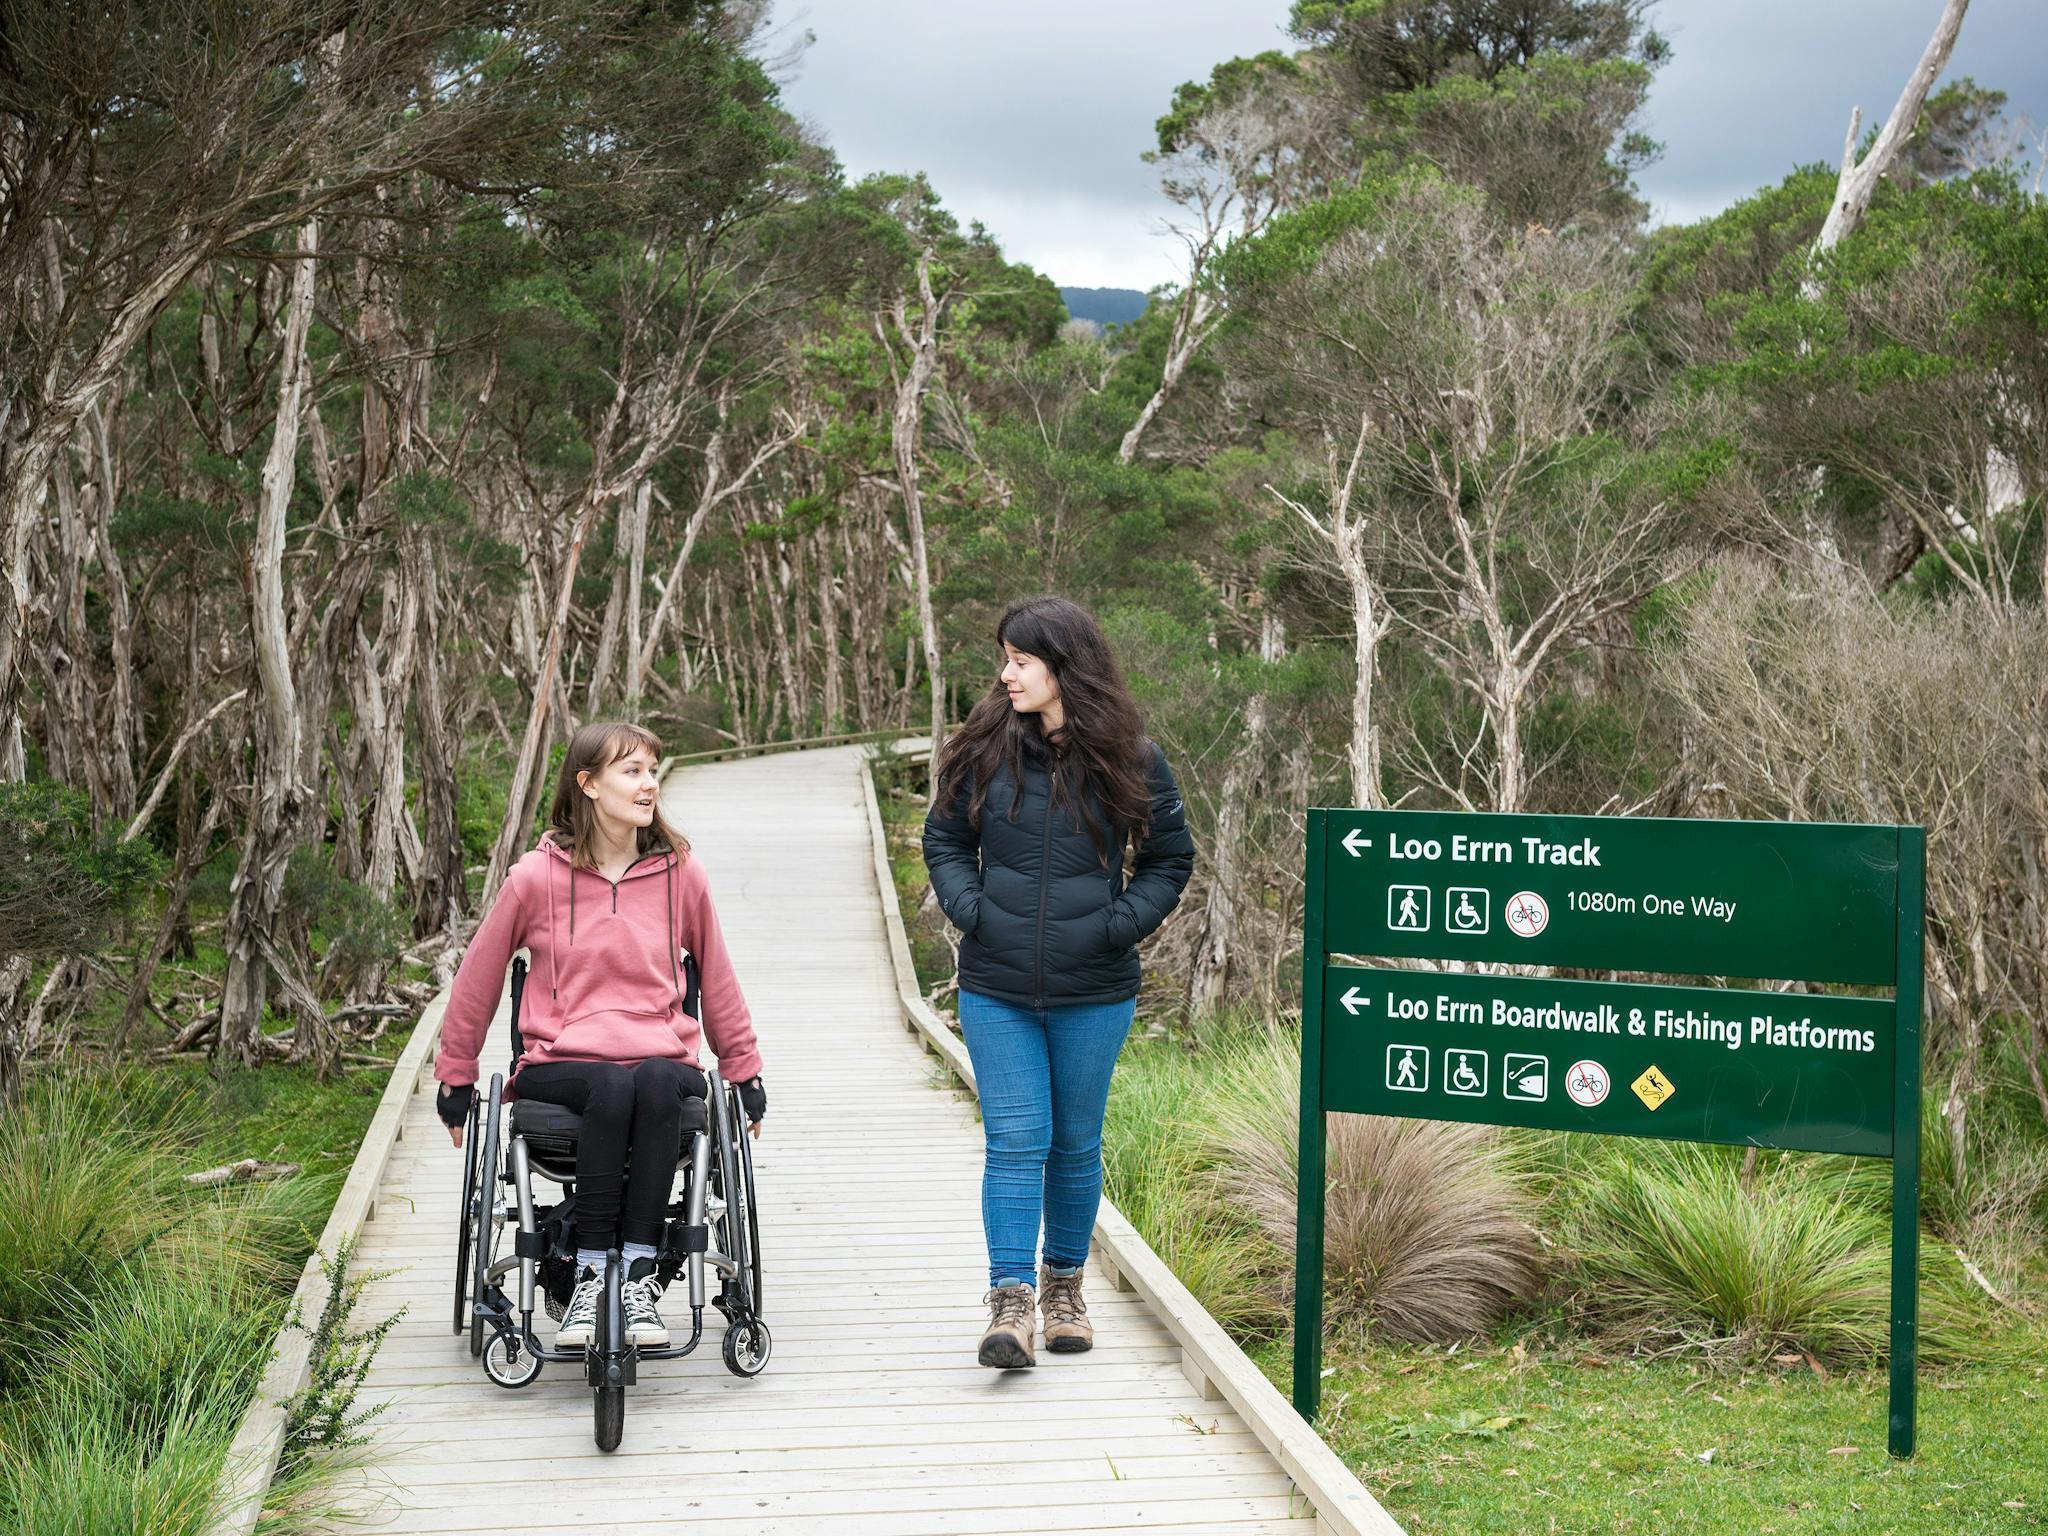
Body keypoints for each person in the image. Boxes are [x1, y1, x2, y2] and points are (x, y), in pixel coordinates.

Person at [923, 596, 1194, 1369]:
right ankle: (1009, 1305)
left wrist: (1116, 925)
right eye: (1004, 659)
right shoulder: (981, 750)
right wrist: (973, 909)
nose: (1005, 675)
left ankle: (1064, 1291)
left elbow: (1171, 858)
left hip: (1096, 988)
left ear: (1062, 668)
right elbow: (943, 839)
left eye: (1020, 660)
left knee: (1075, 1147)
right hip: (996, 984)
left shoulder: (1133, 757)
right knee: (1015, 1142)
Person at [433, 721, 765, 1351]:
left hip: (662, 1058)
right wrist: (457, 1078)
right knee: (615, 1083)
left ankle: (637, 1275)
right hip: (563, 1061)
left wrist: (744, 1073)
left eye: (652, 770)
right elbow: (476, 980)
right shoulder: (534, 879)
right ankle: (589, 1275)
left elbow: (717, 976)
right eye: (631, 771)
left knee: (658, 1079)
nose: (649, 784)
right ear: (587, 784)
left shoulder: (680, 875)